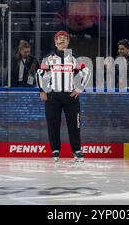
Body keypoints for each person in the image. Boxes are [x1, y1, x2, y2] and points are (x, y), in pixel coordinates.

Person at [36, 31, 91, 162]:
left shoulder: (75, 58)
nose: (61, 40)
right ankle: (55, 150)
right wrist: (42, 90)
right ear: (55, 42)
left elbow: (87, 72)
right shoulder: (48, 58)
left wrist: (79, 88)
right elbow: (39, 74)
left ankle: (77, 150)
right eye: (59, 39)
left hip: (70, 96)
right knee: (53, 124)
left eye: (64, 39)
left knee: (74, 124)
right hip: (52, 96)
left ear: (68, 42)